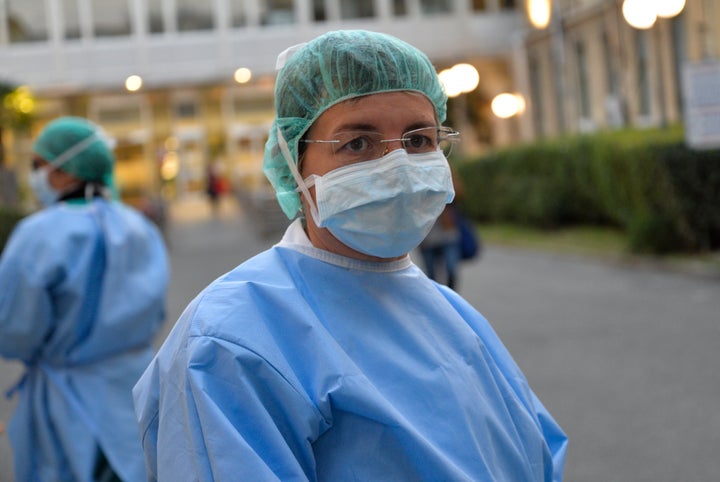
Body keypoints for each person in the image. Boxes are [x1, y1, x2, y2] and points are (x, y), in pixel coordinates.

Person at [133, 30, 567, 481]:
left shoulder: (454, 316)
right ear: (293, 162)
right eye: (358, 143)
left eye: (419, 140)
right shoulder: (231, 340)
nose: (397, 166)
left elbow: (535, 457)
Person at [0, 116, 169, 482]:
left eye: (37, 165)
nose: (35, 175)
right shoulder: (138, 226)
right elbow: (157, 312)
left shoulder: (38, 236)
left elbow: (14, 330)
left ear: (62, 173)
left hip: (69, 404)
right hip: (139, 390)